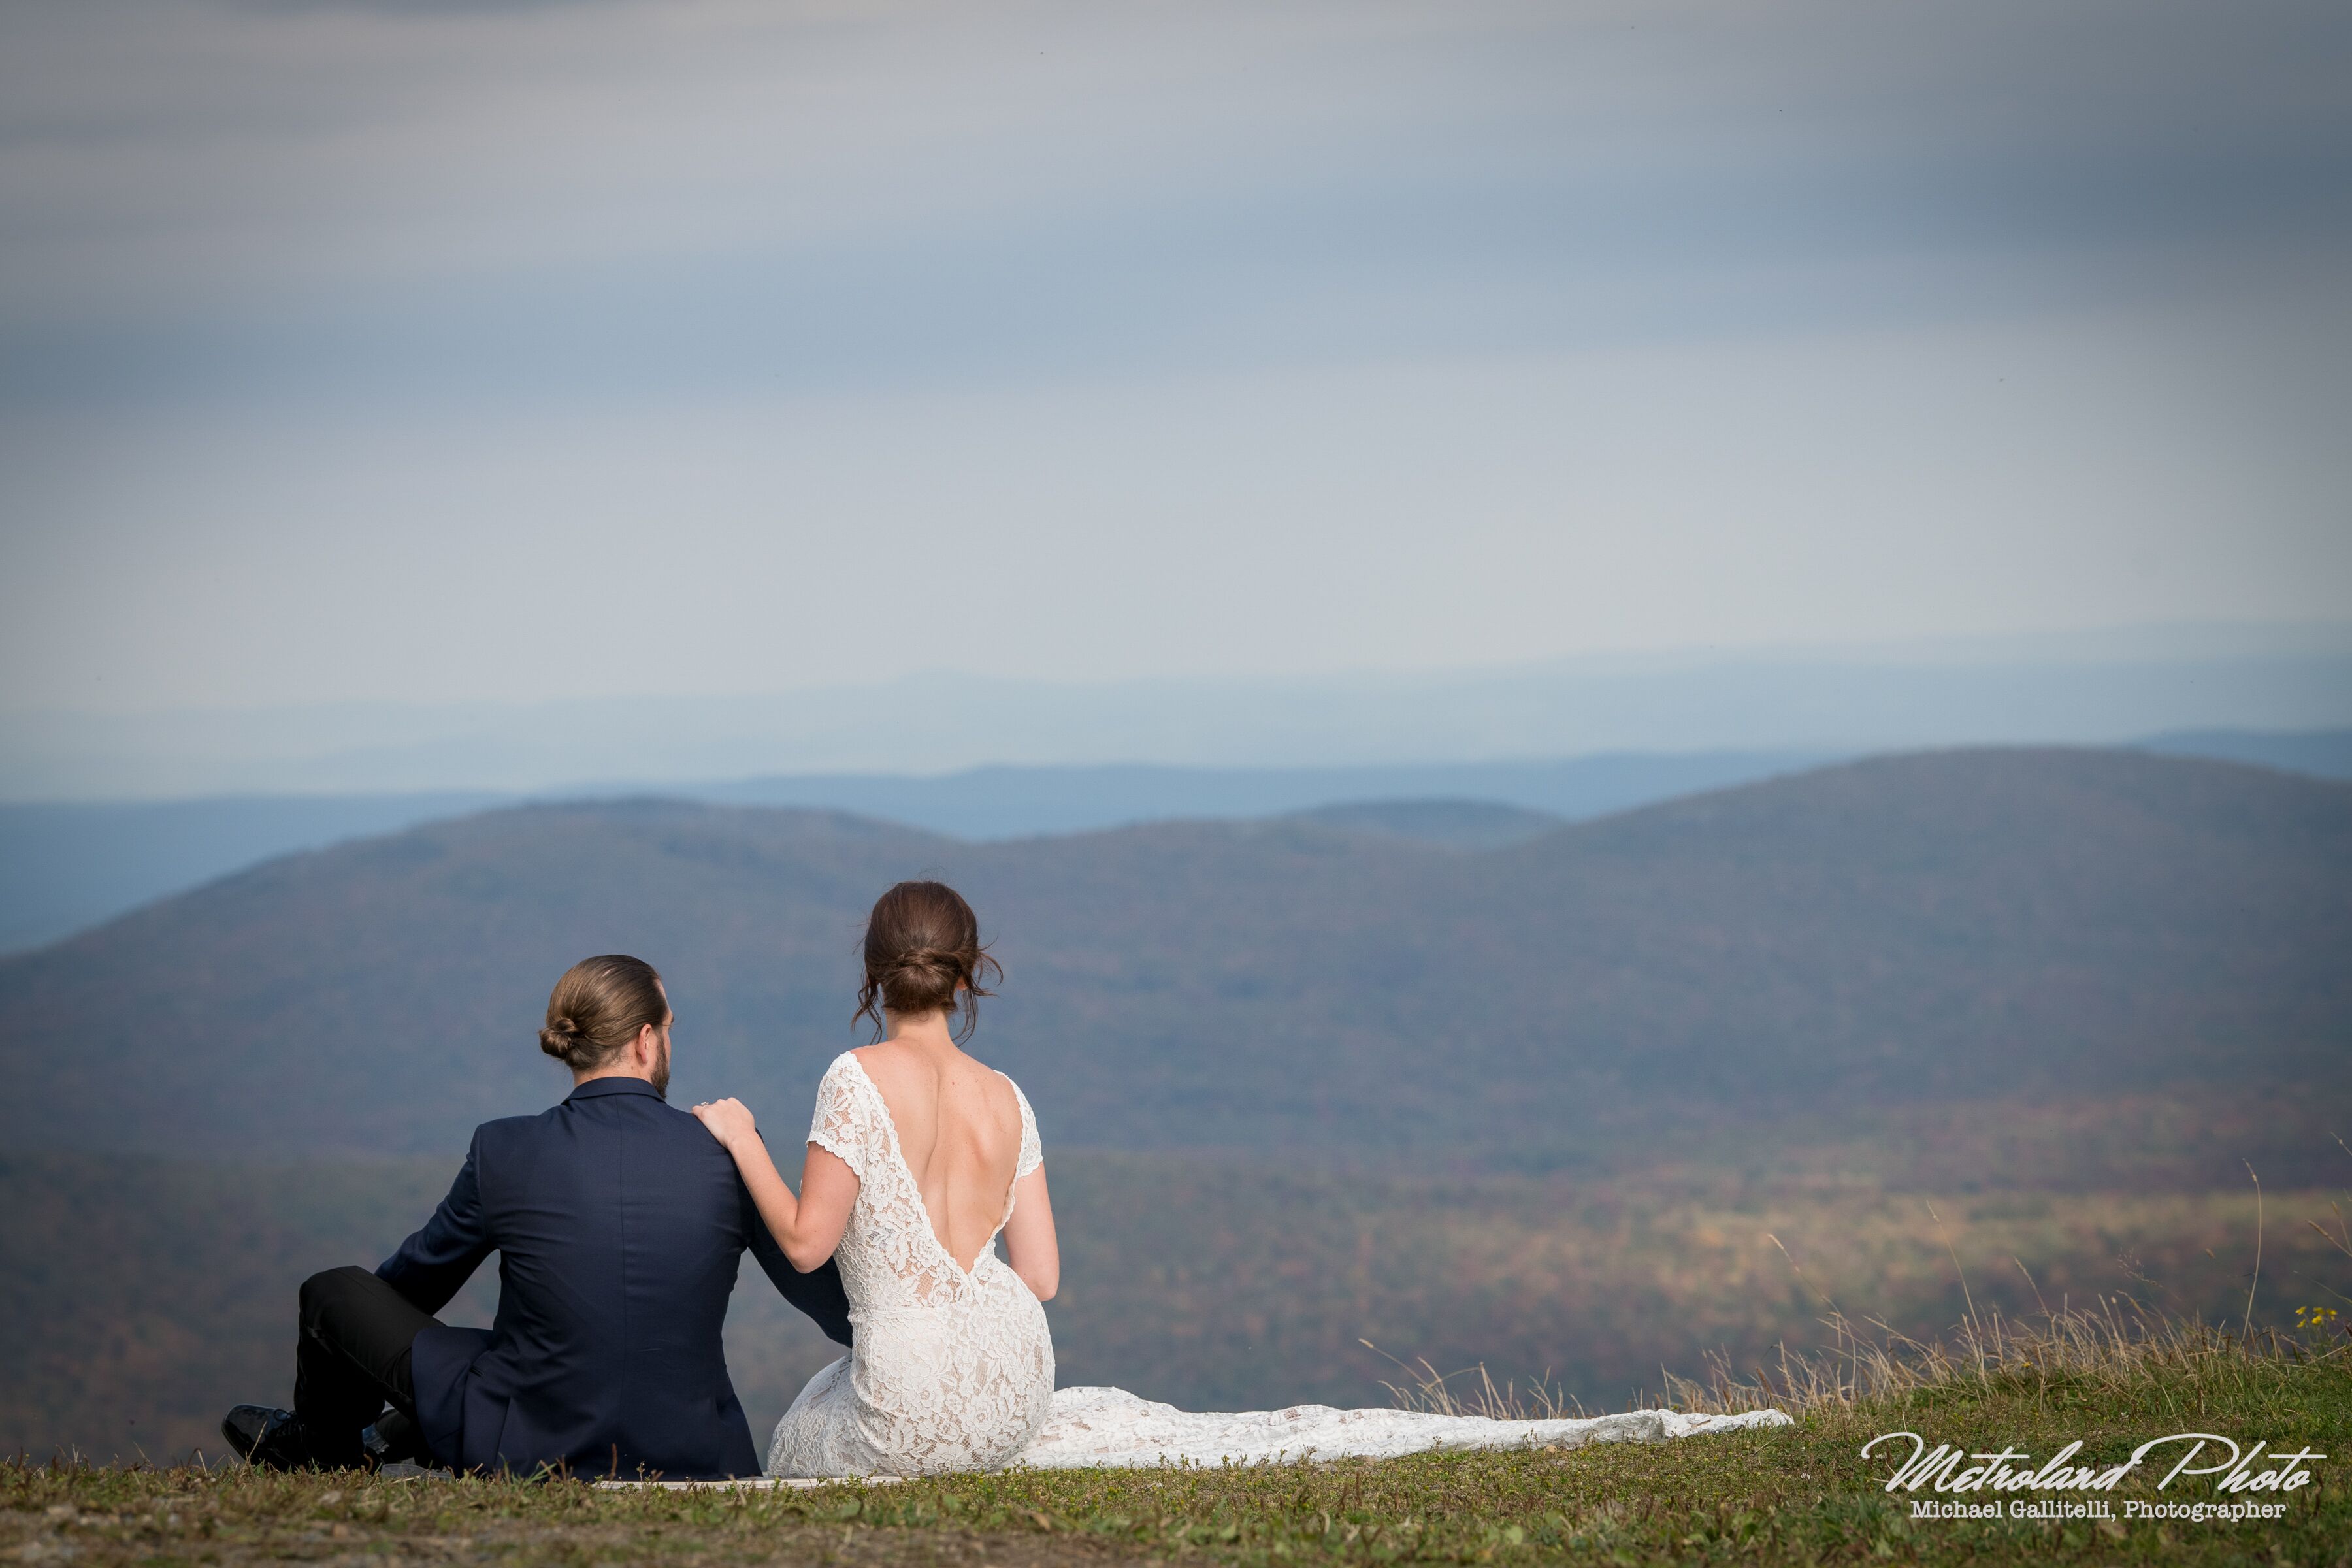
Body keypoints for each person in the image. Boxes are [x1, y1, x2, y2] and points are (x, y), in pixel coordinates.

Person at [220, 955, 853, 1478]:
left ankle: (327, 1454)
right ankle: (380, 1434)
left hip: (528, 1440)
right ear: (645, 1040)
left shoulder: (505, 1148)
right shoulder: (727, 1150)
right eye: (669, 1027)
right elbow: (825, 1302)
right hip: (696, 1449)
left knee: (335, 1293)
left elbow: (412, 1288)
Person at [693, 880, 1059, 1477]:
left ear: (874, 975)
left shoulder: (855, 1078)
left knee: (793, 1442)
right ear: (964, 978)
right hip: (1018, 1385)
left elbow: (807, 1246)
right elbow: (1040, 1279)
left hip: (908, 1402)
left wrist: (741, 1138)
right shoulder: (1009, 1098)